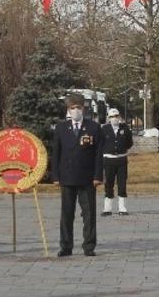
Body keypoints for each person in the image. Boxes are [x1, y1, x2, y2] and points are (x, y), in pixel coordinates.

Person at [51, 94, 103, 257]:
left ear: (83, 109)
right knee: (66, 214)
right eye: (72, 108)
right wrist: (55, 176)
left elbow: (98, 154)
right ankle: (66, 246)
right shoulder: (61, 128)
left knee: (89, 214)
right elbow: (56, 153)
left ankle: (89, 246)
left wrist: (97, 176)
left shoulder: (93, 127)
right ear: (68, 110)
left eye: (78, 108)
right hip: (66, 177)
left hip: (87, 178)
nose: (75, 111)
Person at [100, 107, 133, 216]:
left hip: (121, 160)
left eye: (116, 116)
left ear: (119, 117)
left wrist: (121, 149)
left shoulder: (125, 128)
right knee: (109, 183)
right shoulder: (104, 129)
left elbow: (129, 143)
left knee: (122, 183)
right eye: (112, 117)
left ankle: (122, 207)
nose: (114, 118)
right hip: (109, 160)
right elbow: (101, 144)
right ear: (109, 118)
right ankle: (107, 208)